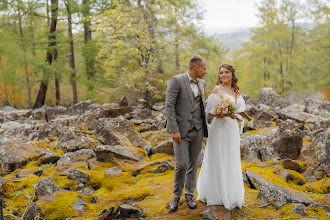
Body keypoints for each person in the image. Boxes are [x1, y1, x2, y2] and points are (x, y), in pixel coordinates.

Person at [196, 63, 246, 210]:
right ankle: (216, 193)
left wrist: (233, 114)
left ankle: (230, 193)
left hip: (231, 129)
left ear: (232, 74)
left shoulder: (236, 90)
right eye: (221, 73)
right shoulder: (217, 89)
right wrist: (221, 112)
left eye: (226, 72)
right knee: (217, 157)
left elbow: (238, 112)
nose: (223, 75)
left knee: (230, 158)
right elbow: (209, 112)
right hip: (219, 128)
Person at [165, 55, 208, 212]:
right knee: (181, 164)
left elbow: (201, 106)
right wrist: (174, 129)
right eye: (204, 68)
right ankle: (176, 195)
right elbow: (169, 106)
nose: (206, 71)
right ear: (196, 68)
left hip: (198, 130)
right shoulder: (176, 80)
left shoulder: (202, 83)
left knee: (194, 163)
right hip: (180, 131)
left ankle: (189, 194)